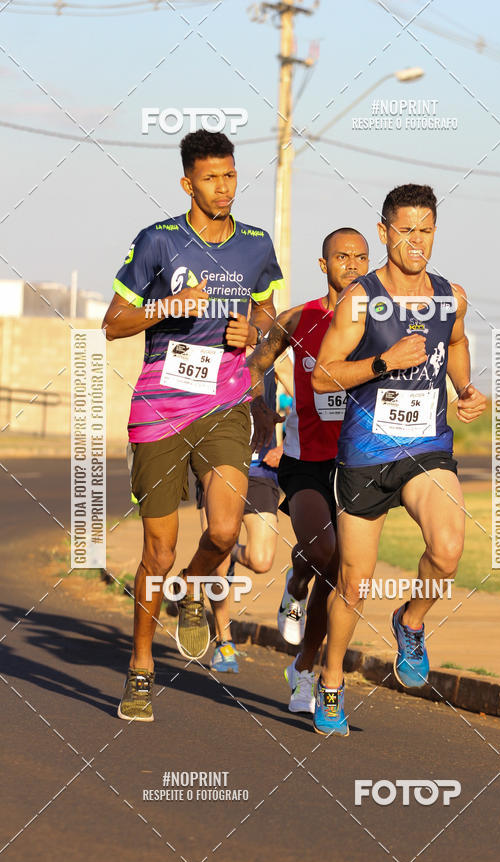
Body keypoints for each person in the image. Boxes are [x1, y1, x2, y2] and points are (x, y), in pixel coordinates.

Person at [102, 129, 282, 722]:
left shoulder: (256, 245)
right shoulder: (158, 241)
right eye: (211, 178)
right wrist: (167, 307)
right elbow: (114, 322)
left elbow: (271, 322)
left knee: (225, 531)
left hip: (226, 401)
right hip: (160, 405)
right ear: (188, 183)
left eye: (230, 175)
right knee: (158, 550)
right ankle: (140, 668)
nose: (224, 187)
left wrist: (254, 337)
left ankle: (193, 591)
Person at [312, 184, 486, 736]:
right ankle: (332, 680)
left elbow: (455, 341)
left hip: (426, 448)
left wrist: (464, 388)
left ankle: (410, 622)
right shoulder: (360, 300)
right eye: (406, 230)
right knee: (354, 583)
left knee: (449, 548)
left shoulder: (449, 295)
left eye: (426, 230)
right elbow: (323, 374)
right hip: (364, 456)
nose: (417, 241)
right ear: (385, 230)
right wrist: (384, 361)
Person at [248, 228, 369, 712]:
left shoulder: (380, 319)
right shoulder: (298, 317)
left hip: (358, 461)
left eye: (361, 257)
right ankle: (297, 578)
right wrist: (260, 409)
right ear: (324, 264)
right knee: (323, 550)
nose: (353, 264)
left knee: (338, 566)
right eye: (342, 256)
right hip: (304, 460)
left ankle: (303, 668)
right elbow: (257, 362)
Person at [192, 367, 283, 674]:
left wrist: (287, 446)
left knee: (261, 559)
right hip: (216, 468)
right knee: (216, 559)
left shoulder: (273, 358)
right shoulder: (212, 350)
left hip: (259, 473)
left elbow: (309, 395)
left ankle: (224, 548)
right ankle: (224, 641)